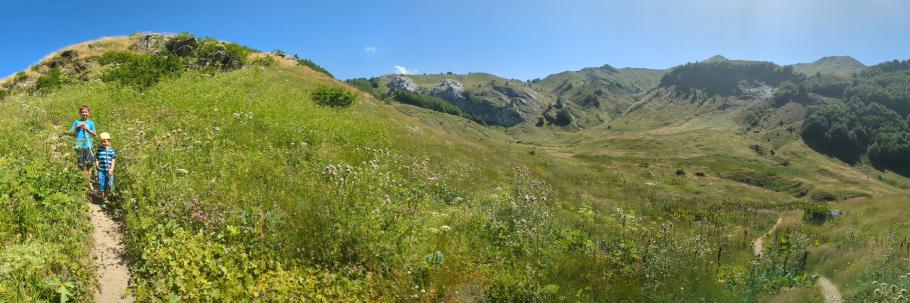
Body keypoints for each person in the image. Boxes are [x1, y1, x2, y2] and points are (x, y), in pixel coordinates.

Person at [70, 105, 97, 188]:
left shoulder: (91, 123)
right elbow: (71, 134)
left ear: (88, 113)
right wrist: (77, 127)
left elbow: (94, 134)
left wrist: (87, 129)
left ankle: (88, 181)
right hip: (79, 146)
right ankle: (82, 182)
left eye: (86, 112)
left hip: (88, 146)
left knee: (89, 164)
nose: (84, 113)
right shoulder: (76, 122)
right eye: (82, 112)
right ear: (80, 113)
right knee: (81, 165)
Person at [95, 132, 117, 200]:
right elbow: (97, 158)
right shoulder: (99, 150)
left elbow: (113, 160)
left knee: (109, 184)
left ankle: (107, 197)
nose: (104, 143)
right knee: (102, 184)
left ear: (109, 141)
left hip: (109, 171)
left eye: (105, 142)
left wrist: (111, 169)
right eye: (102, 142)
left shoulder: (111, 150)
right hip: (101, 170)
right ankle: (103, 198)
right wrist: (96, 164)